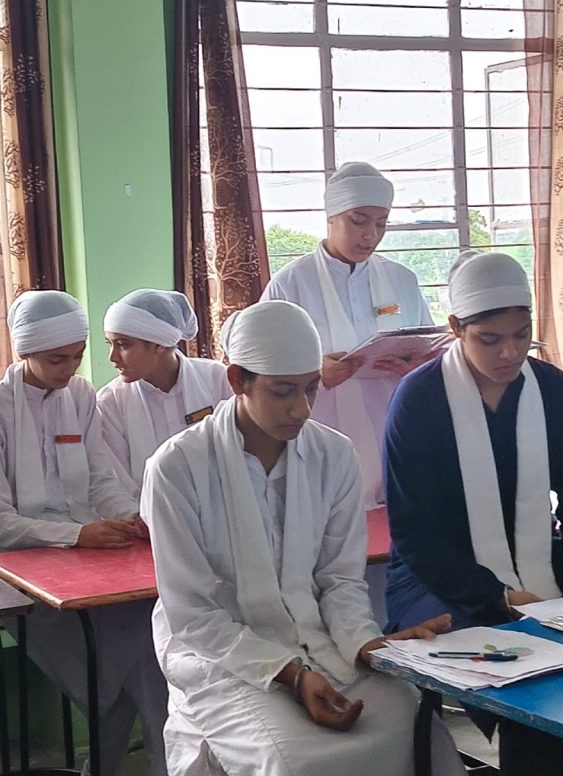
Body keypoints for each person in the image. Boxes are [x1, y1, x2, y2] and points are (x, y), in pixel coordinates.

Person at [140, 300, 465, 776]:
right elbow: (192, 614)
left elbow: (339, 580)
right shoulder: (176, 468)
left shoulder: (334, 454)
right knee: (290, 761)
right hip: (225, 660)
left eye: (311, 387)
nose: (302, 408)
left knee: (417, 725)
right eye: (283, 391)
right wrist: (290, 674)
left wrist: (366, 644)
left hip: (322, 642)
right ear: (238, 381)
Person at [384, 253, 563, 776]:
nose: (510, 352)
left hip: (541, 559)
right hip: (438, 577)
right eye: (489, 339)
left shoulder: (553, 390)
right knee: (530, 682)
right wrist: (498, 596)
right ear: (456, 328)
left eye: (521, 335)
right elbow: (415, 534)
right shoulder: (419, 400)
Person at [0, 290, 168, 776]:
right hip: (19, 572)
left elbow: (100, 479)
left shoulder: (80, 395)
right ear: (25, 351)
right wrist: (77, 534)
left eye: (77, 356)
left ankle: (144, 762)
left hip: (87, 559)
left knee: (144, 645)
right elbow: (3, 523)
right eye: (57, 359)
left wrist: (134, 517)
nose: (69, 369)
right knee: (115, 679)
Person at [261, 161, 433, 508]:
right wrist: (313, 372)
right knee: (329, 515)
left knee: (392, 517)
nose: (370, 235)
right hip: (321, 428)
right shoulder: (292, 283)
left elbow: (429, 347)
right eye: (359, 221)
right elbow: (259, 367)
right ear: (331, 216)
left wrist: (416, 367)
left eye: (381, 224)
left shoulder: (401, 279)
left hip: (393, 424)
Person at [98, 288, 232, 495]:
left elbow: (236, 451)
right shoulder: (110, 402)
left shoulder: (216, 378)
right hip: (146, 510)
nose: (112, 357)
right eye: (110, 344)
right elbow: (118, 482)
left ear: (159, 345)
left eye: (123, 345)